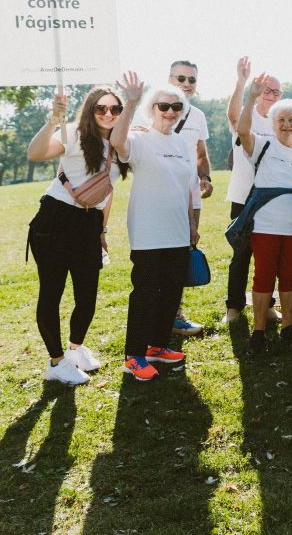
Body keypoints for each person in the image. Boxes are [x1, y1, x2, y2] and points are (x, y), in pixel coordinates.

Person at [25, 87, 126, 385]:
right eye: (101, 108)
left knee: (87, 295)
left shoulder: (120, 146)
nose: (108, 114)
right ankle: (56, 363)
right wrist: (53, 121)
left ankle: (75, 349)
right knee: (52, 293)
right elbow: (35, 153)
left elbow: (108, 194)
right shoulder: (74, 134)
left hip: (89, 224)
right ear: (89, 110)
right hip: (55, 220)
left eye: (115, 109)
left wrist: (102, 231)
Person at [110, 72, 198, 381]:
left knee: (172, 292)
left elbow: (188, 185)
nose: (170, 112)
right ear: (152, 109)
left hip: (177, 231)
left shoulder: (183, 143)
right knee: (146, 292)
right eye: (163, 106)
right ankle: (133, 355)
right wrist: (130, 102)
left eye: (176, 107)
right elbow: (117, 142)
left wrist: (191, 225)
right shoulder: (140, 138)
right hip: (148, 231)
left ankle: (157, 347)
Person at [238, 75, 292, 355]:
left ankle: (287, 327)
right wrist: (250, 98)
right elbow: (242, 130)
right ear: (273, 123)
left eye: (291, 120)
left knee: (290, 276)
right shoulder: (263, 145)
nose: (286, 124)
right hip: (266, 225)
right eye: (281, 120)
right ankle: (258, 331)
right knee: (263, 277)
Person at [224, 57, 284, 325]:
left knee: (268, 256)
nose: (270, 95)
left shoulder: (281, 122)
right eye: (266, 89)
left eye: (275, 91)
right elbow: (234, 115)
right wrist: (242, 83)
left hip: (272, 200)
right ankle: (234, 308)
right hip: (243, 196)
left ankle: (268, 305)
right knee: (241, 254)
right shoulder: (248, 115)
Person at [167, 60, 212, 337]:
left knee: (185, 250)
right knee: (162, 254)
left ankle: (175, 314)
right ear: (169, 79)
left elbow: (200, 153)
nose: (186, 83)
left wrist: (206, 177)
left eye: (192, 79)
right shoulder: (152, 110)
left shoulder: (197, 116)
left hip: (191, 196)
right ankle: (161, 312)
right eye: (181, 77)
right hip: (161, 194)